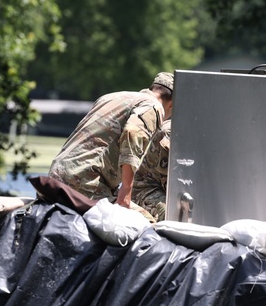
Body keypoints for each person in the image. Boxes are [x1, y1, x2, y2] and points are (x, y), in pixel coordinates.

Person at [48, 72, 174, 209]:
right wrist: (126, 191)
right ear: (172, 104)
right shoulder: (154, 106)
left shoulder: (112, 97)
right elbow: (133, 132)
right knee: (147, 225)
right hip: (85, 183)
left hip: (57, 176)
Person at [132, 118, 171, 221]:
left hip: (167, 188)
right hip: (146, 189)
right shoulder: (170, 134)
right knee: (171, 213)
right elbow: (171, 186)